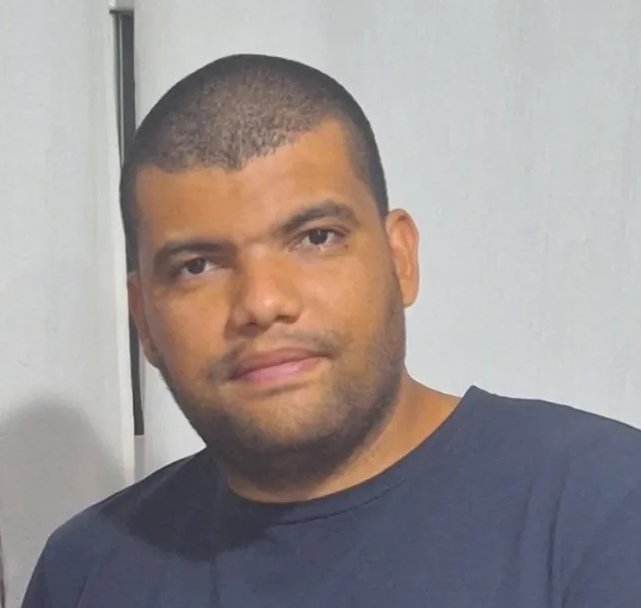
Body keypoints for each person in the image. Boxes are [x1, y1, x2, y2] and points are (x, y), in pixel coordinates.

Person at [22, 54, 641, 607]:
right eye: (197, 266)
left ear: (400, 259)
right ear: (144, 320)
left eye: (316, 237)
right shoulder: (85, 572)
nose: (262, 303)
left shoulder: (605, 507)